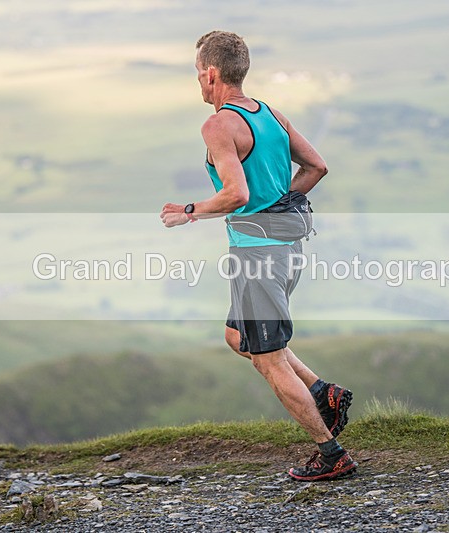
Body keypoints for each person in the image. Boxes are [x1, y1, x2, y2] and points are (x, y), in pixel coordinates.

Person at [160, 30, 355, 481]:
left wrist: (189, 211)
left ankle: (331, 454)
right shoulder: (270, 114)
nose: (198, 83)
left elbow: (234, 194)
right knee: (237, 336)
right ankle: (323, 392)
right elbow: (316, 167)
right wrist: (279, 206)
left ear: (211, 74)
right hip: (287, 247)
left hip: (257, 255)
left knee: (267, 357)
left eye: (197, 75)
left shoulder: (218, 125)